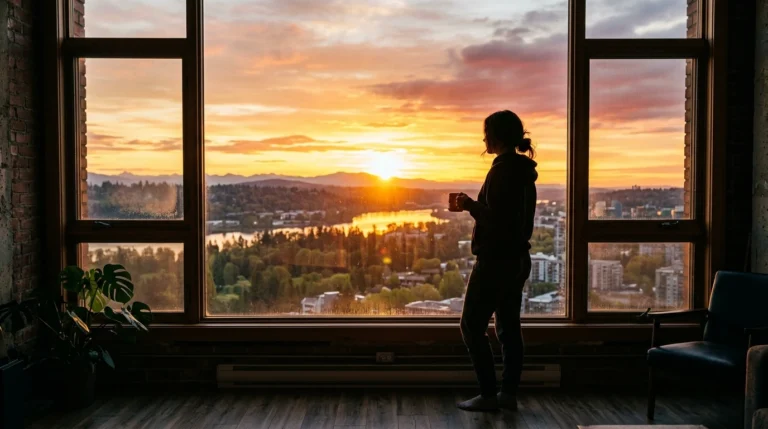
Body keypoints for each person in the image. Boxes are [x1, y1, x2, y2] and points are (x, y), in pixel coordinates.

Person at [454, 110, 538, 412]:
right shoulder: (523, 171)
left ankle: (488, 394)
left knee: (471, 326)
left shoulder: (503, 171)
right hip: (517, 259)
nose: (483, 140)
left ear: (497, 137)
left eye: (486, 133)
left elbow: (498, 220)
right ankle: (508, 393)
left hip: (495, 261)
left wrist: (469, 205)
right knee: (508, 328)